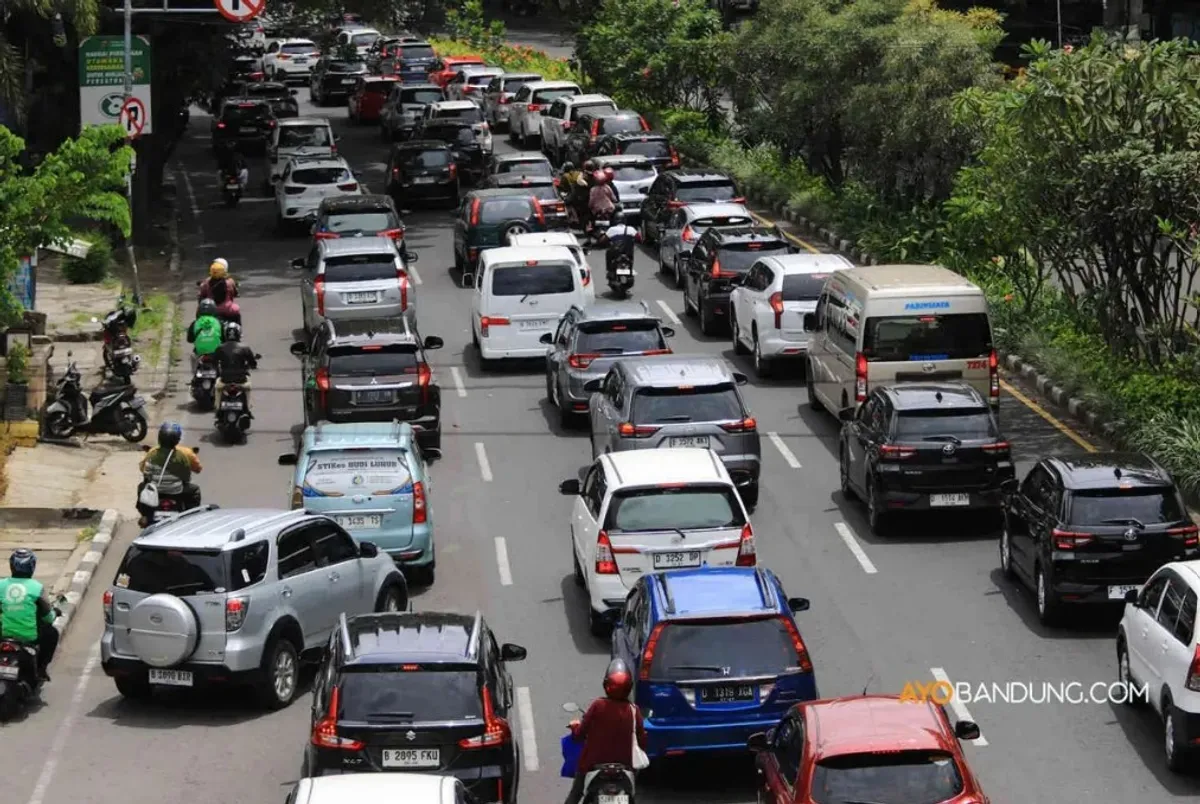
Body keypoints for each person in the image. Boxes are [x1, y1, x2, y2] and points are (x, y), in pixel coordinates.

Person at [564, 658, 646, 804]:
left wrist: (575, 727)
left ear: (606, 684)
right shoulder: (634, 711)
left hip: (592, 765)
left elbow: (580, 735)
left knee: (575, 794)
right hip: (624, 769)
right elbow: (642, 742)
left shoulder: (598, 705)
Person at [0, 549, 58, 682]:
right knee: (52, 633)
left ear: (11, 566)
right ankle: (41, 669)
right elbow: (48, 617)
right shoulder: (37, 588)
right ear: (32, 567)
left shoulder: (1, 585)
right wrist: (55, 614)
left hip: (2, 635)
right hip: (27, 638)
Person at [137, 422, 202, 525]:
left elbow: (147, 474)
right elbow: (186, 477)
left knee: (141, 487)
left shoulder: (152, 455)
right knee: (195, 490)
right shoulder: (181, 456)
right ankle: (191, 516)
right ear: (177, 440)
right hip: (176, 492)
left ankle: (145, 515)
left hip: (156, 492)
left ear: (160, 438)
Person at [214, 322, 258, 412]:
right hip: (241, 379)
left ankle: (217, 407)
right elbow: (253, 363)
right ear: (239, 334)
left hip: (225, 379)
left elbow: (214, 362)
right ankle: (248, 407)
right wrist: (252, 366)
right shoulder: (245, 348)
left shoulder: (220, 347)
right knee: (248, 386)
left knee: (217, 386)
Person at [186, 298, 224, 372]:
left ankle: (194, 374)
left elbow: (189, 339)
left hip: (199, 352)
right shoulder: (219, 323)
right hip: (216, 352)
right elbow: (224, 339)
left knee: (193, 356)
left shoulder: (195, 323)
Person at [598, 210, 640, 275]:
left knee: (608, 253)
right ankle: (630, 268)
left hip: (615, 252)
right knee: (631, 256)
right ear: (624, 220)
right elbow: (639, 238)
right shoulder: (631, 229)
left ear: (615, 220)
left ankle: (609, 270)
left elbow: (602, 240)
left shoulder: (611, 229)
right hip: (628, 252)